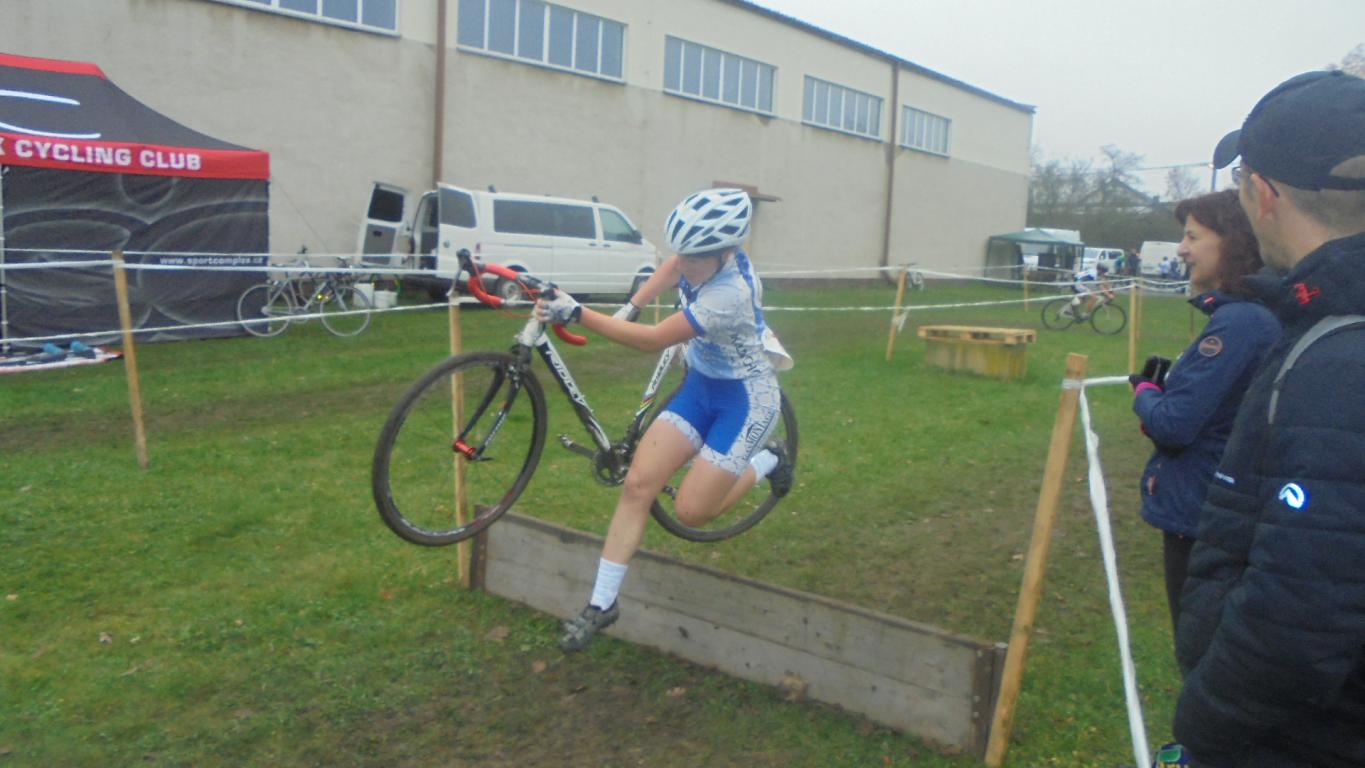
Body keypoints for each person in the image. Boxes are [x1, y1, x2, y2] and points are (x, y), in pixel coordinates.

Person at [1172, 70, 1365, 766]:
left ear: (1261, 194)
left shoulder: (1338, 358)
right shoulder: (1321, 319)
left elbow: (1296, 625)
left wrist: (1200, 730)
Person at [534, 188, 793, 653]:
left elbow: (652, 341)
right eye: (682, 252)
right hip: (701, 388)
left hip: (746, 402)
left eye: (695, 257)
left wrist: (579, 312)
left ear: (725, 252)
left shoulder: (732, 292)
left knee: (693, 512)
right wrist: (632, 304)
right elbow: (674, 266)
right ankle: (601, 604)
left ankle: (770, 460)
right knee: (638, 485)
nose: (683, 263)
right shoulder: (699, 260)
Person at [1129, 190, 1280, 635]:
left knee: (1197, 644)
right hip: (1213, 506)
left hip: (1202, 512)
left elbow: (1174, 424)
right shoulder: (1248, 316)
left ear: (1231, 241)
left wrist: (1145, 394)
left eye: (1193, 236)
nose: (1181, 249)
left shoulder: (1241, 323)